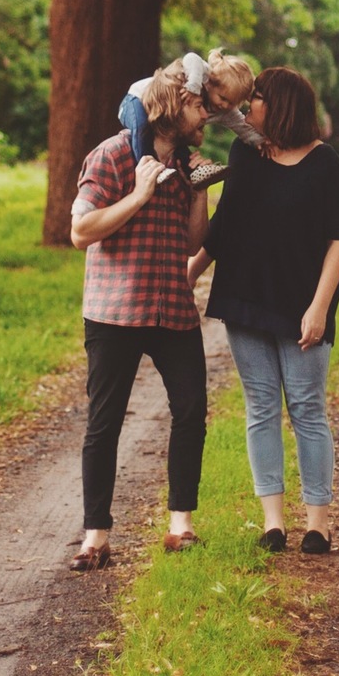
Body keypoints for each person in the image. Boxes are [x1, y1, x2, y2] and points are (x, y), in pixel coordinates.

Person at [201, 63, 339, 556]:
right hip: (244, 297)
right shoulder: (245, 154)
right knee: (261, 408)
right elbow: (225, 226)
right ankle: (273, 523)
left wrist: (318, 308)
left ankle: (318, 522)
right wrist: (192, 267)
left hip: (302, 307)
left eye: (259, 97)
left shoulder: (324, 163)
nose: (249, 105)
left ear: (283, 104)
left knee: (308, 409)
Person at [68, 62, 212, 569]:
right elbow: (82, 232)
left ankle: (181, 527)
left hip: (172, 307)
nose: (207, 113)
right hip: (114, 311)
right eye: (199, 105)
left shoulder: (191, 164)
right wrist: (138, 194)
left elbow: (193, 241)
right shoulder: (111, 155)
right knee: (104, 424)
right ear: (174, 107)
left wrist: (198, 191)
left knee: (191, 411)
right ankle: (96, 537)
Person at [118, 48, 256, 172]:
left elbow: (243, 127)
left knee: (182, 149)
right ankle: (147, 168)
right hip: (137, 99)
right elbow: (191, 58)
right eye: (223, 98)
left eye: (232, 103)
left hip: (166, 124)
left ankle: (192, 175)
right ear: (211, 84)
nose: (225, 106)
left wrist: (262, 142)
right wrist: (193, 85)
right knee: (142, 128)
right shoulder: (205, 76)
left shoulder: (226, 112)